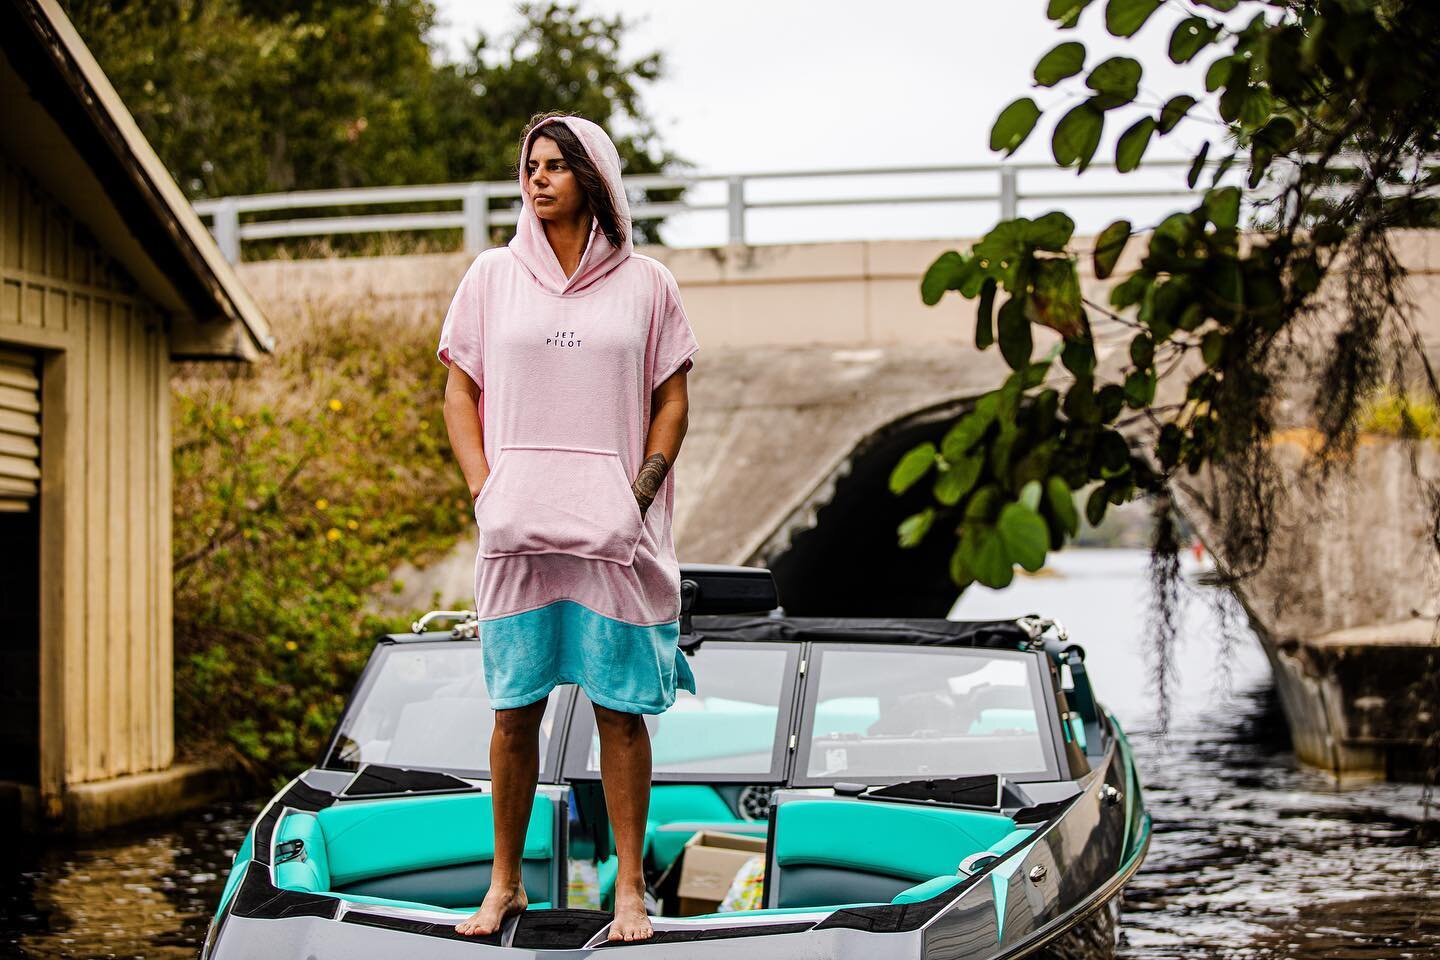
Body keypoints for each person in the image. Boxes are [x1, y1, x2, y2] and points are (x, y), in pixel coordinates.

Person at [436, 111, 699, 943]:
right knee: (515, 711)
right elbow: (457, 393)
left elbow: (672, 399)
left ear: (596, 177)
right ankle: (505, 886)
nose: (537, 178)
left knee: (621, 713)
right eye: (531, 165)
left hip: (614, 539)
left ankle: (629, 894)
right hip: (517, 537)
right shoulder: (488, 275)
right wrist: (488, 491)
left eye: (556, 165)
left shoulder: (649, 283)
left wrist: (640, 492)